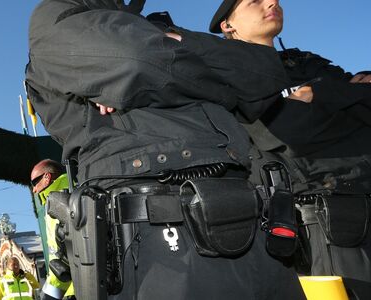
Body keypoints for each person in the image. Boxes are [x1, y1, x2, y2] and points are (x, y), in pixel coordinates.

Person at [25, 0, 306, 299]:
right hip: (159, 239)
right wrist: (225, 87)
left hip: (250, 221)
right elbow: (138, 59)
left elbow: (264, 74)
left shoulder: (153, 27)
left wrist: (173, 47)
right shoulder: (55, 16)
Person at [209, 0, 371, 292]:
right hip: (316, 223)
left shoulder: (305, 63)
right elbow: (284, 134)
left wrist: (315, 91)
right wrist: (339, 106)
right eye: (254, 1)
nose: (272, 2)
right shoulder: (224, 76)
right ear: (227, 24)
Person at [30, 159, 74, 300]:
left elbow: (63, 254)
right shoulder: (73, 191)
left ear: (47, 177)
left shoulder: (58, 202)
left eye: (34, 183)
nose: (34, 189)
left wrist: (51, 294)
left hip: (71, 288)